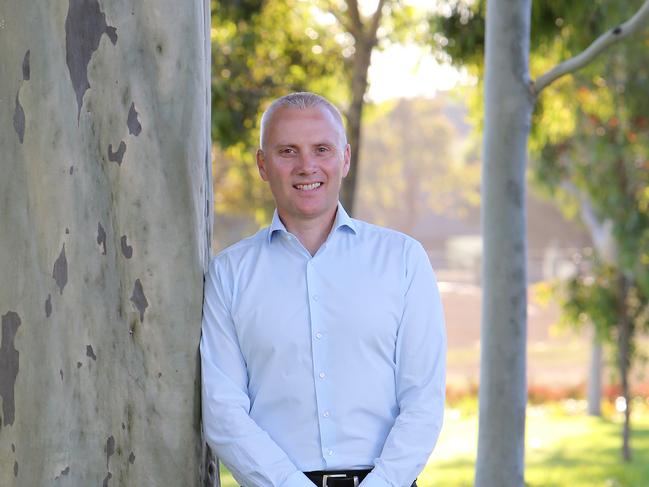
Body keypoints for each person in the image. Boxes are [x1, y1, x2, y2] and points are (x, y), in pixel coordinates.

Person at [200, 92, 446, 487]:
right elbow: (223, 410)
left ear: (345, 158)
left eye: (321, 149)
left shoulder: (402, 260)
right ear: (263, 164)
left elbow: (423, 400)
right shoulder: (229, 274)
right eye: (287, 151)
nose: (306, 166)